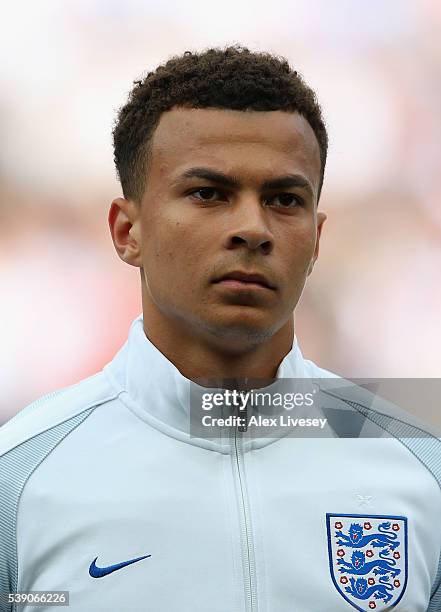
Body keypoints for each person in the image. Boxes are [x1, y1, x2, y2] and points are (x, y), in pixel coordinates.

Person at [0, 45, 440, 612]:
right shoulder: (18, 478)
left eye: (284, 199)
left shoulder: (419, 462)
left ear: (317, 240)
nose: (253, 229)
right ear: (126, 230)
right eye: (209, 193)